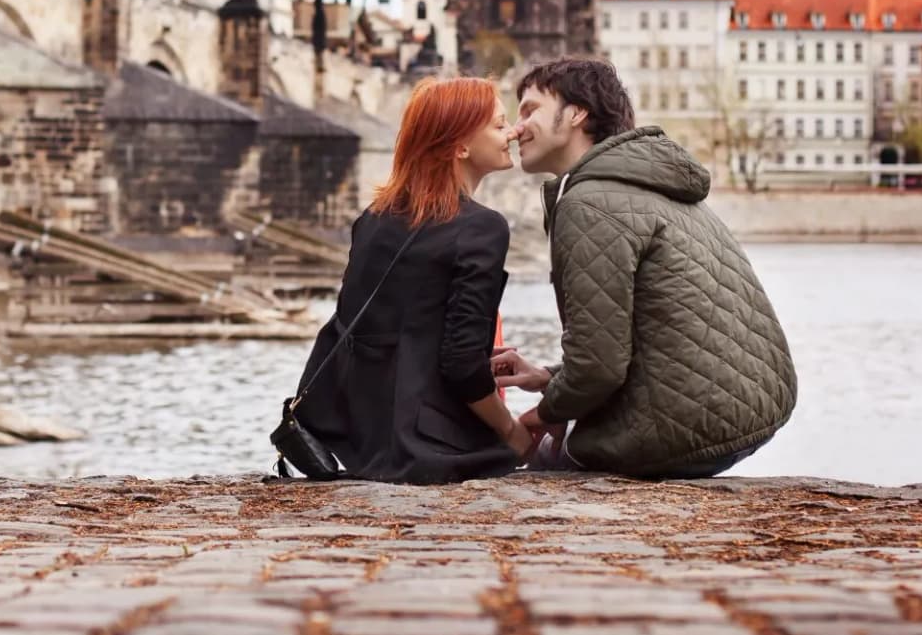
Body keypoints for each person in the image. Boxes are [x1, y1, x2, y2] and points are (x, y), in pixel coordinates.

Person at [497, 58, 796, 478]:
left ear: (578, 112)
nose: (516, 127)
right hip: (751, 407)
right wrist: (549, 377)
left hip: (685, 425)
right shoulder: (649, 185)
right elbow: (653, 336)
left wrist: (545, 413)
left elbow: (600, 366)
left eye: (530, 110)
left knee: (534, 468)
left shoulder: (591, 202)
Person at [285, 76, 533, 482]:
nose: (510, 134)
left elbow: (373, 332)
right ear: (461, 146)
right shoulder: (483, 228)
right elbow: (461, 365)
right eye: (498, 124)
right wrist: (512, 430)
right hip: (430, 449)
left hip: (360, 443)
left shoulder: (373, 219)